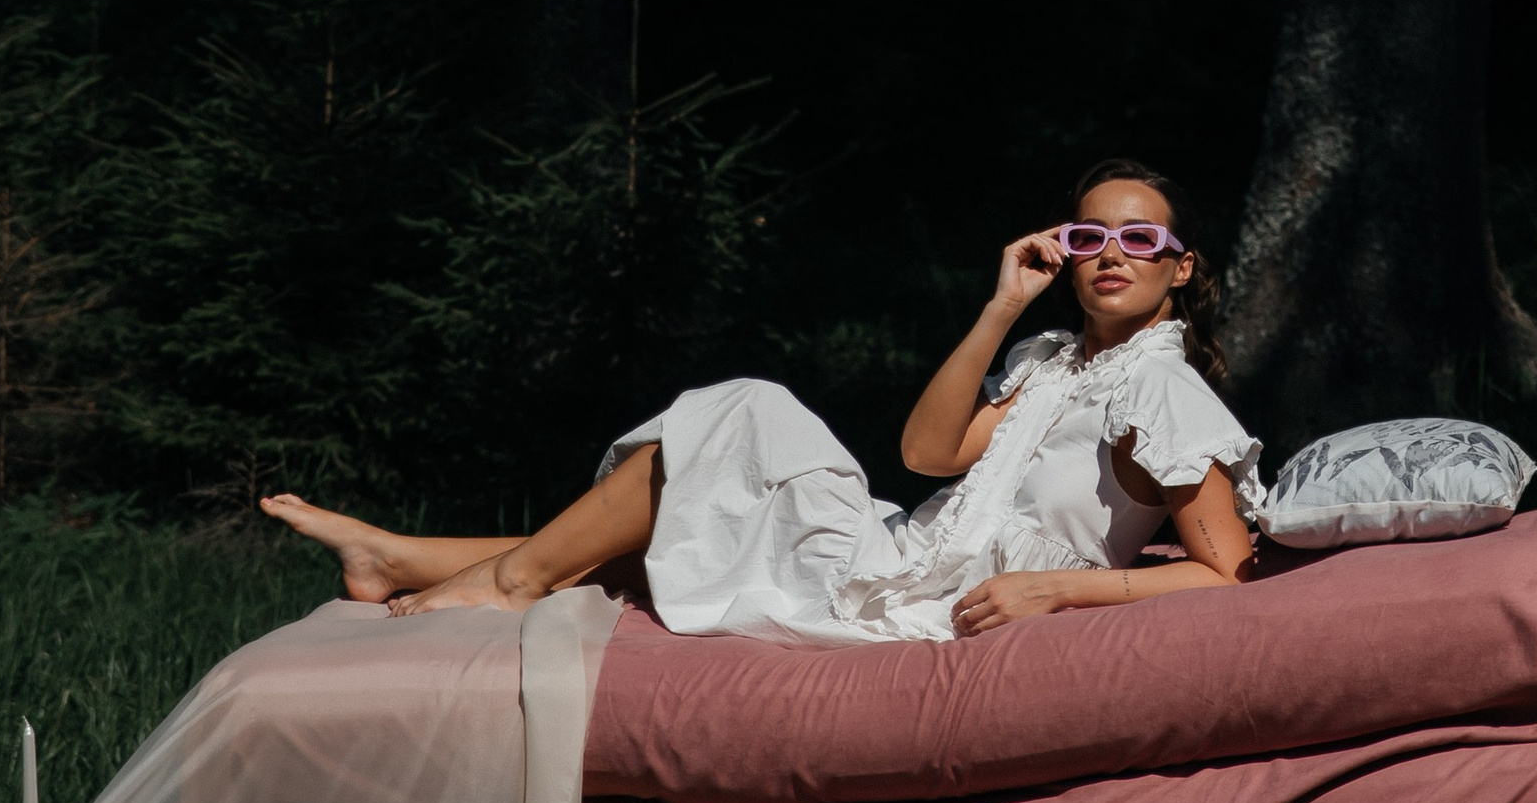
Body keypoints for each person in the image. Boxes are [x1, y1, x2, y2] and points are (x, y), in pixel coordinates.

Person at [260, 158, 1263, 643]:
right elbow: (927, 453)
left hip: (924, 601)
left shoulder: (1163, 390)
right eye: (1089, 238)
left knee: (743, 419)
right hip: (901, 550)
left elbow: (1225, 573)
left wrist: (1056, 588)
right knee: (731, 445)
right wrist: (1000, 307)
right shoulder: (1057, 362)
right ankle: (401, 556)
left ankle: (505, 581)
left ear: (1180, 271)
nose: (1109, 256)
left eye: (1140, 241)